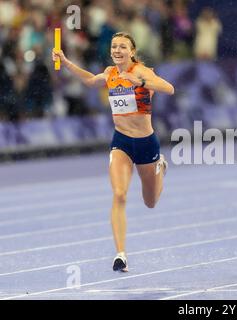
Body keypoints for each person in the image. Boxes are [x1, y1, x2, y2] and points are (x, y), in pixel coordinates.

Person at [52, 32, 175, 272]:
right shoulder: (110, 74)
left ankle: (159, 166)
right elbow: (89, 80)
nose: (118, 50)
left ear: (132, 52)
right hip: (121, 143)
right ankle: (121, 254)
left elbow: (168, 88)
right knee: (119, 194)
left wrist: (139, 82)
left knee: (150, 202)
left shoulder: (141, 71)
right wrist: (66, 62)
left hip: (146, 143)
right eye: (114, 46)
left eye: (123, 47)